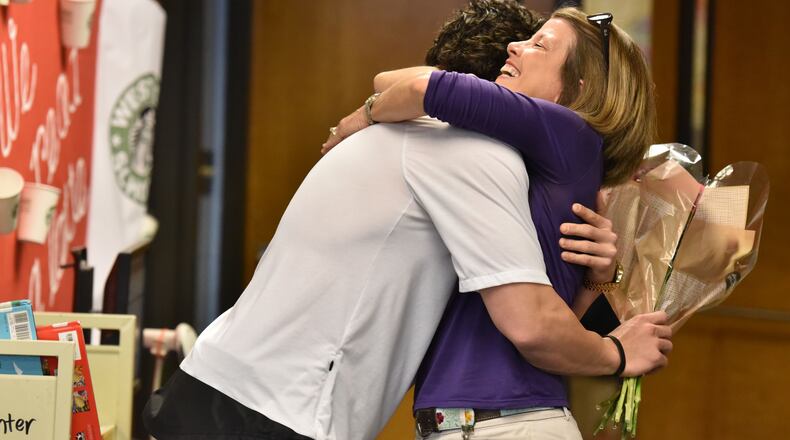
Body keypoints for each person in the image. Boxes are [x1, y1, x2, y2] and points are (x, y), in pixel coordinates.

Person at [143, 4, 670, 440]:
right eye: (525, 42)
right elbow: (530, 323)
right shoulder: (471, 152)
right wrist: (616, 353)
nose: (518, 51)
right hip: (273, 410)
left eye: (539, 46)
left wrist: (599, 272)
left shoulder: (425, 146)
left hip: (224, 384)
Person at [322, 6, 661, 439]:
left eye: (540, 45)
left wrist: (362, 119)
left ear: (579, 89)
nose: (514, 46)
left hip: (505, 424)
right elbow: (392, 82)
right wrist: (598, 281)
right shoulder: (545, 163)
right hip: (487, 422)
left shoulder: (568, 130)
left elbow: (424, 88)